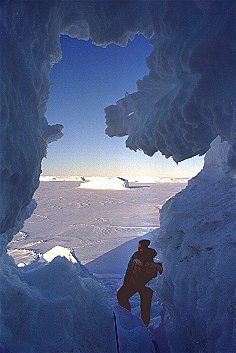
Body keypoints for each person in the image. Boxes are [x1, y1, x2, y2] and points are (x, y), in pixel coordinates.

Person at [117, 239, 163, 327]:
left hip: (146, 286)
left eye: (141, 248)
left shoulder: (155, 260)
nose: (139, 249)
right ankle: (127, 319)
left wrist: (157, 285)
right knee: (121, 295)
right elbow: (129, 269)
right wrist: (126, 282)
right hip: (133, 282)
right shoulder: (136, 256)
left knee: (145, 308)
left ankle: (144, 328)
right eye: (139, 247)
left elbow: (164, 273)